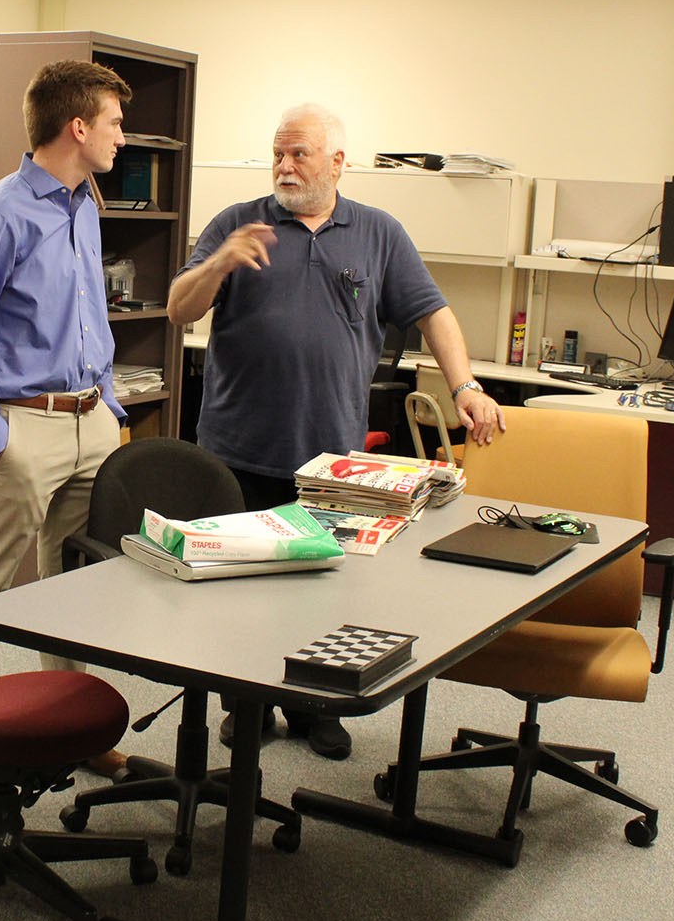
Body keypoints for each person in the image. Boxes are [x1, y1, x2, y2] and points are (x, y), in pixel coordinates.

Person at [167, 102, 504, 760]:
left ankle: (315, 707)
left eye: (300, 154)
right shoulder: (237, 223)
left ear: (338, 163)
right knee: (242, 591)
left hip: (330, 458)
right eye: (278, 154)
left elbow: (432, 312)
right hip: (237, 448)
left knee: (320, 591)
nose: (285, 166)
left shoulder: (377, 232)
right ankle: (247, 705)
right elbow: (180, 309)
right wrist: (220, 264)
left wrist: (464, 386)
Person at [0, 59, 134, 819]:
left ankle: (73, 733)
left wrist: (110, 406)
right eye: (114, 122)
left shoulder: (87, 204)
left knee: (71, 590)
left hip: (90, 424)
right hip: (23, 426)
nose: (122, 136)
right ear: (77, 127)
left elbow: (92, 320)